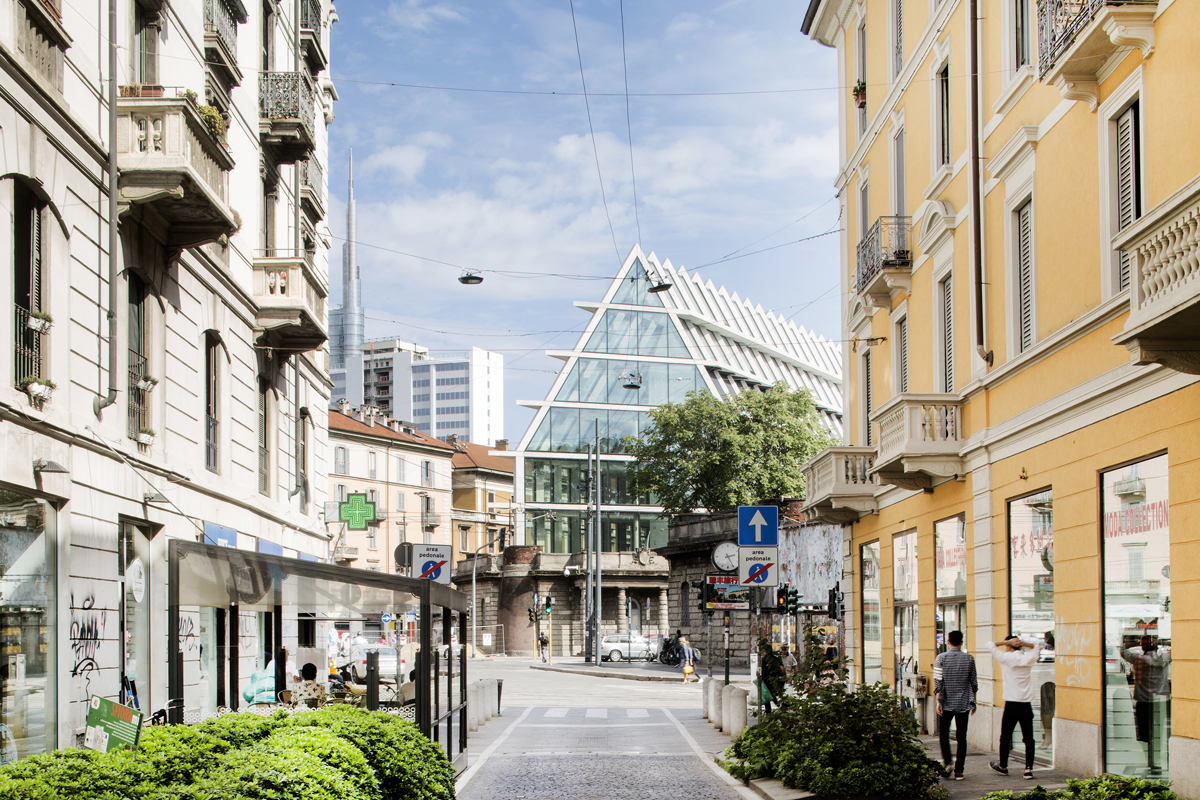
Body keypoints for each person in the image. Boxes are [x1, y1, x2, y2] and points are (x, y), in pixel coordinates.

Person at [988, 634, 1044, 780]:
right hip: (1026, 704)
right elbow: (1038, 646)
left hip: (1011, 704)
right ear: (1019, 646)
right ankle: (1028, 769)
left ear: (1008, 646)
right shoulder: (1028, 658)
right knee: (1029, 738)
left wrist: (1007, 641)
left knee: (1005, 736)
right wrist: (1023, 643)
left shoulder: (1005, 658)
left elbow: (990, 644)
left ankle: (1003, 766)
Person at [1120, 634, 1171, 774]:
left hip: (1143, 700)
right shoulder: (1163, 658)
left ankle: (1150, 760)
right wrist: (1164, 642)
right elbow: (1174, 650)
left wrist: (1132, 643)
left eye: (1143, 640)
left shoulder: (1138, 659)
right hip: (1160, 700)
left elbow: (1123, 652)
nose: (1142, 642)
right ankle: (1157, 759)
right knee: (1159, 732)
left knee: (1144, 734)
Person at [933, 630, 977, 781]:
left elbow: (938, 682)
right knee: (961, 736)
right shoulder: (969, 659)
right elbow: (974, 682)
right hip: (963, 703)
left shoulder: (941, 658)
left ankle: (947, 762)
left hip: (946, 702)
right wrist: (973, 702)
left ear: (948, 641)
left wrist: (938, 700)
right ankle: (959, 771)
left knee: (943, 733)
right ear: (962, 642)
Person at [759, 640, 785, 712]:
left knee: (767, 695)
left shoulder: (764, 659)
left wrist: (762, 679)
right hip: (775, 679)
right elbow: (782, 669)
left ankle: (769, 710)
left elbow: (763, 670)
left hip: (767, 680)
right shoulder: (776, 658)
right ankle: (780, 706)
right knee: (773, 695)